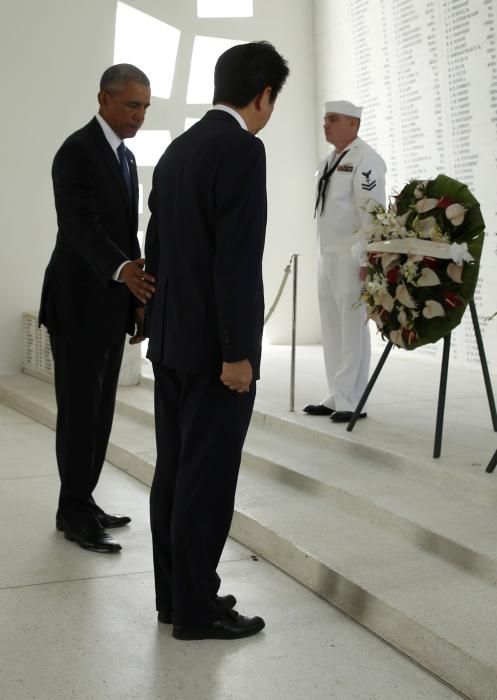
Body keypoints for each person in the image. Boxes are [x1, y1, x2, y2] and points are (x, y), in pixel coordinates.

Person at [145, 41, 289, 640]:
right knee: (207, 478)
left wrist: (154, 326)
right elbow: (235, 261)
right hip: (214, 353)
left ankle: (177, 598)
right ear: (263, 96)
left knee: (175, 470)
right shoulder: (242, 149)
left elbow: (156, 244)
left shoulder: (178, 148)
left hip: (172, 342)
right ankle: (199, 611)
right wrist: (238, 353)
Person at [39, 64, 156, 553]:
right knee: (79, 412)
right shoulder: (77, 151)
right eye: (132, 106)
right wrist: (124, 271)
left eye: (145, 108)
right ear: (104, 99)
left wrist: (133, 302)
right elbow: (78, 226)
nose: (139, 117)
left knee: (102, 410)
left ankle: (83, 499)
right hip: (77, 304)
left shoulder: (125, 159)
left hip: (109, 305)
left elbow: (126, 236)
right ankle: (73, 511)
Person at [304, 100, 386, 423]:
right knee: (332, 325)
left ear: (353, 124)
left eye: (333, 119)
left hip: (351, 256)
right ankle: (336, 392)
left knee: (352, 327)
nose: (325, 124)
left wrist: (368, 257)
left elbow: (372, 212)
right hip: (327, 254)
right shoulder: (329, 161)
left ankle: (353, 397)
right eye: (324, 119)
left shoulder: (366, 160)